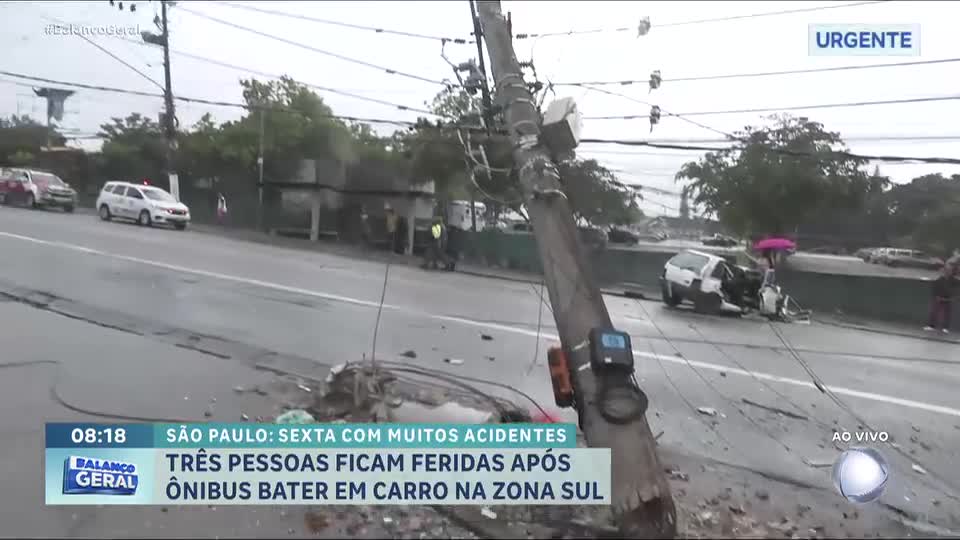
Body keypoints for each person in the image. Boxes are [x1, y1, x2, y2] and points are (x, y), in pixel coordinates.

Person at [924, 265, 956, 334]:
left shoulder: (953, 280)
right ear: (944, 271)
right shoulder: (939, 280)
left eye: (950, 271)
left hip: (948, 299)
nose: (948, 272)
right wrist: (937, 297)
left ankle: (945, 328)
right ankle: (931, 326)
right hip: (939, 298)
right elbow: (935, 289)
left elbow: (955, 288)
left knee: (947, 314)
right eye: (947, 271)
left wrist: (952, 297)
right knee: (934, 312)